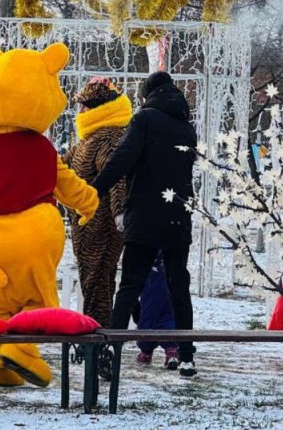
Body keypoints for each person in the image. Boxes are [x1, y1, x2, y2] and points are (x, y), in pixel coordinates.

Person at [91, 70, 199, 377]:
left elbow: (123, 159)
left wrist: (94, 189)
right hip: (178, 215)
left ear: (147, 93)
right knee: (179, 287)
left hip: (146, 215)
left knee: (129, 287)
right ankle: (187, 355)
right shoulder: (185, 126)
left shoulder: (144, 119)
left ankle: (109, 354)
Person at [62, 78, 130, 327]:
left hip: (99, 223)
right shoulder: (90, 138)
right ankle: (94, 331)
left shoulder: (109, 138)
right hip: (85, 221)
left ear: (98, 108)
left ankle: (96, 336)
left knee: (98, 279)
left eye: (85, 107)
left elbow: (116, 178)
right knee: (91, 277)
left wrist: (118, 212)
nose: (80, 112)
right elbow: (61, 165)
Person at [134, 253, 179, 369]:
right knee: (168, 314)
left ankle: (146, 350)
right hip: (168, 273)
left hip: (151, 270)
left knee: (148, 315)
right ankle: (171, 349)